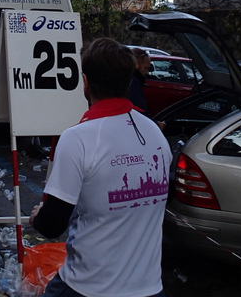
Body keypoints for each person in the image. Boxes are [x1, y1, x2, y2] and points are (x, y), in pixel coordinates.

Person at [29, 38, 171, 297]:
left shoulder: (78, 138)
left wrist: (37, 216)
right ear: (129, 82)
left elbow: (51, 225)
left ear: (85, 82)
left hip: (87, 287)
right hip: (150, 288)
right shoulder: (155, 133)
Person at [127, 47, 150, 112]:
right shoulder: (134, 84)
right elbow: (141, 110)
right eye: (145, 68)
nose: (147, 72)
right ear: (136, 65)